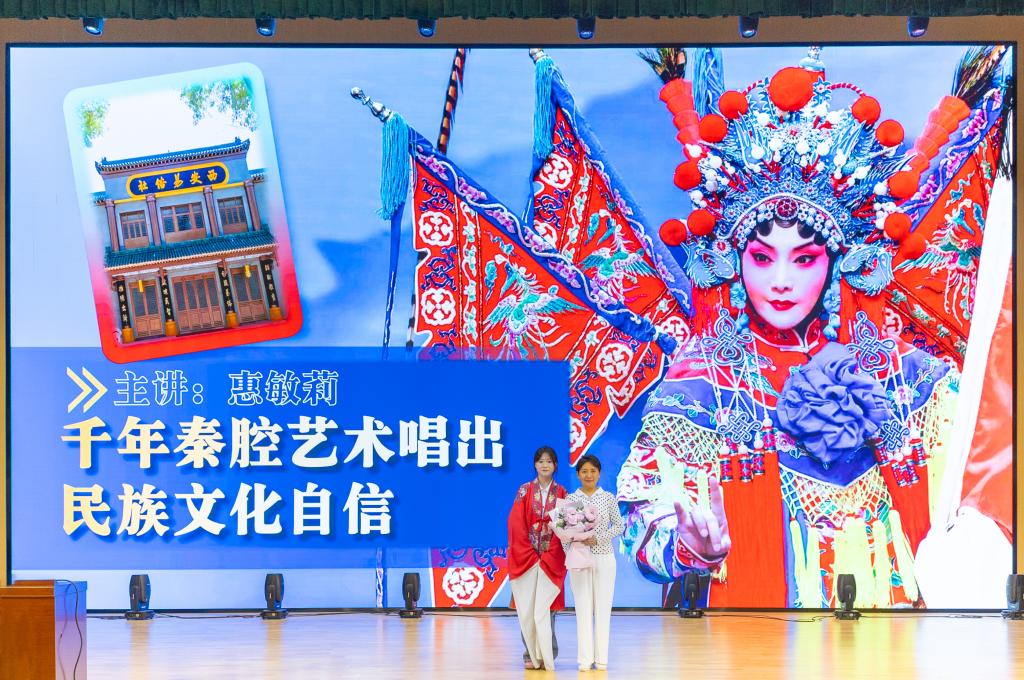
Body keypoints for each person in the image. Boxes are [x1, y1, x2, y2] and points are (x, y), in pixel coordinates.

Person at [617, 48, 1012, 608]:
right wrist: (688, 546)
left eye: (803, 259)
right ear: (735, 260)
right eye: (762, 257)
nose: (780, 281)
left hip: (897, 638)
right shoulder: (705, 384)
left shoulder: (907, 377)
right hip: (754, 640)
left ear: (835, 262)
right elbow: (642, 511)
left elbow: (982, 486)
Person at [562, 454, 623, 672]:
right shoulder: (571, 499)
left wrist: (599, 538)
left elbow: (619, 526)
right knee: (583, 608)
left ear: (599, 473)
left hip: (604, 557)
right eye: (584, 471)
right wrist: (572, 549)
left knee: (603, 608)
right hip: (580, 560)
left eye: (593, 471)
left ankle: (602, 659)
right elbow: (563, 534)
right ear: (578, 474)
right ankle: (585, 660)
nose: (589, 475)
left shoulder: (608, 498)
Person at [508, 445, 566, 670]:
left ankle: (548, 653)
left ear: (555, 465)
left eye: (549, 461)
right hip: (527, 558)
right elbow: (516, 524)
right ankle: (530, 653)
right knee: (527, 607)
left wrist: (551, 554)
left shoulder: (562, 493)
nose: (544, 465)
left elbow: (564, 527)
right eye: (541, 461)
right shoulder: (524, 490)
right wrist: (529, 554)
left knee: (547, 607)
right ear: (535, 464)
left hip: (551, 558)